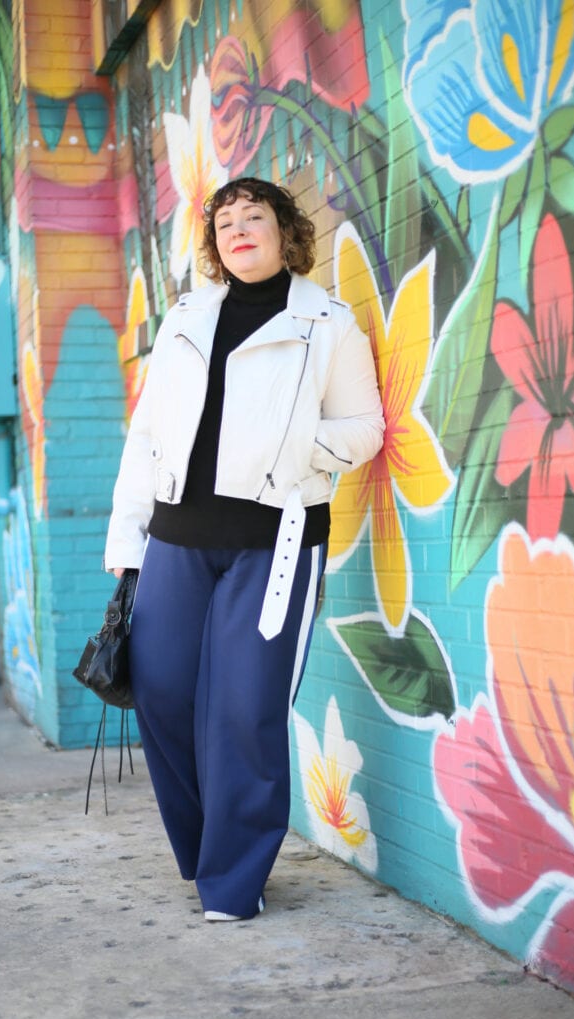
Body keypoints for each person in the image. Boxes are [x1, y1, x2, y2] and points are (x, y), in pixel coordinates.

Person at [104, 177, 384, 921]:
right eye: (224, 222)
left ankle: (234, 882)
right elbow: (149, 432)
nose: (237, 230)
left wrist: (300, 449)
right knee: (161, 693)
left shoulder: (327, 321)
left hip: (275, 543)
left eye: (252, 216)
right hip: (175, 541)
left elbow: (365, 426)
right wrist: (126, 541)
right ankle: (205, 855)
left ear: (284, 230)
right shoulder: (186, 318)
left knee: (243, 709)